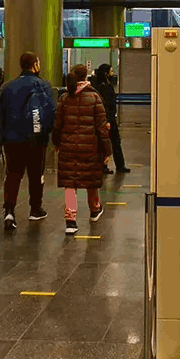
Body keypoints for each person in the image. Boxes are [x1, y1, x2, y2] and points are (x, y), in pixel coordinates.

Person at [0, 52, 56, 230]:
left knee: (13, 175)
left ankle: (9, 211)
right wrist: (47, 134)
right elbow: (50, 113)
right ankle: (35, 209)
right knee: (36, 175)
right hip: (36, 140)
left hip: (12, 140)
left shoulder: (7, 87)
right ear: (35, 65)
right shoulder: (43, 85)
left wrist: (4, 135)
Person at [53, 65, 112, 235]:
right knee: (91, 179)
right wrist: (107, 150)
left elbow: (57, 125)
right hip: (90, 146)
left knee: (70, 184)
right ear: (86, 77)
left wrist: (56, 143)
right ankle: (95, 209)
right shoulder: (94, 97)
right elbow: (101, 128)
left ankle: (70, 221)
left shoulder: (64, 98)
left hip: (68, 146)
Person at [93, 64, 129, 174]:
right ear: (106, 73)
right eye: (111, 71)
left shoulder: (96, 85)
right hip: (108, 119)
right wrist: (109, 119)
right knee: (115, 142)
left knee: (104, 142)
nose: (112, 74)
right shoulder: (106, 86)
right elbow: (108, 104)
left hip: (103, 119)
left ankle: (103, 166)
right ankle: (119, 165)